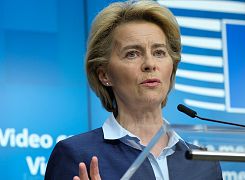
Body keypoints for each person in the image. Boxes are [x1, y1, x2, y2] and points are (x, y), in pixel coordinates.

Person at [45, 0, 222, 179]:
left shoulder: (204, 163)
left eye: (159, 52)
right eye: (132, 54)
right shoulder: (77, 156)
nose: (150, 64)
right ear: (104, 74)